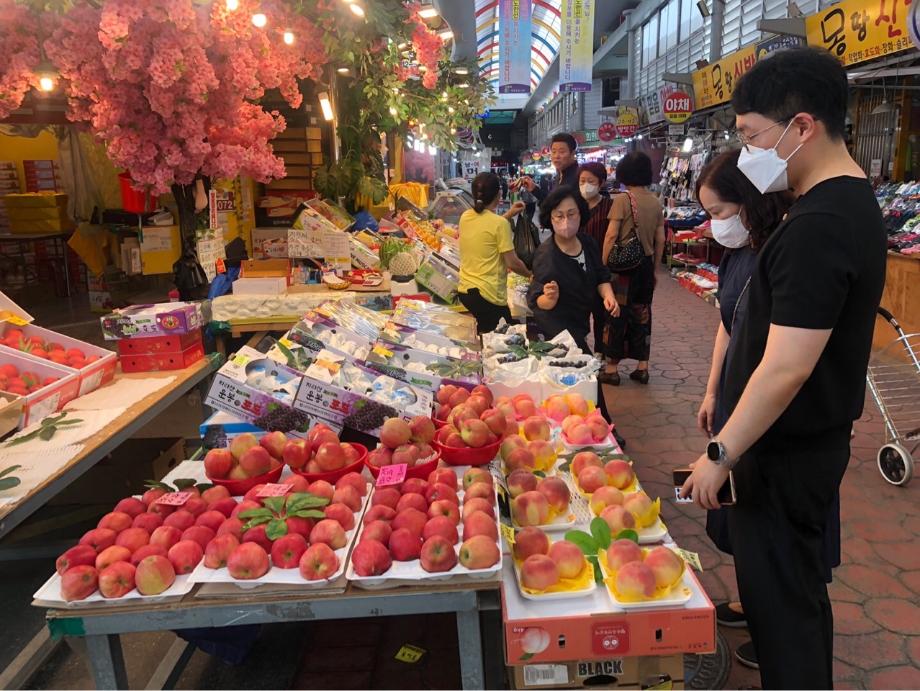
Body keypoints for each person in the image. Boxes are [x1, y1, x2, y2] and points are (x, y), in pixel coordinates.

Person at [680, 47, 887, 689]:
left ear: (802, 127)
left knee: (783, 613)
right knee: (792, 600)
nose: (746, 154)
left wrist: (721, 452)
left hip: (785, 456)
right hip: (796, 448)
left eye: (751, 136)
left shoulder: (821, 223)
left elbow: (785, 367)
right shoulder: (840, 205)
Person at [694, 149, 793, 669]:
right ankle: (750, 601)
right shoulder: (736, 255)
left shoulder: (780, 255)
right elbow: (726, 323)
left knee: (767, 514)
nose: (716, 225)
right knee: (742, 510)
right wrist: (712, 391)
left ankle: (773, 626)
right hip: (734, 394)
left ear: (750, 201)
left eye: (720, 211)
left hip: (766, 408)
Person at [526, 186, 619, 353]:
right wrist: (549, 298)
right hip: (558, 332)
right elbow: (536, 300)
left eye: (571, 214)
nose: (566, 221)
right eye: (559, 216)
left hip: (580, 323)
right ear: (550, 218)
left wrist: (608, 296)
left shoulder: (588, 243)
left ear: (581, 214)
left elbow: (600, 275)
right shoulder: (546, 255)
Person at [600, 152, 665, 385]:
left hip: (623, 268)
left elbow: (610, 235)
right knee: (642, 315)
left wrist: (603, 265)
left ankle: (612, 368)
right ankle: (642, 367)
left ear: (624, 173)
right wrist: (655, 269)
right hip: (645, 266)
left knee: (617, 314)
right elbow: (661, 239)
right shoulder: (655, 202)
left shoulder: (622, 200)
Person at [458, 172, 531, 334]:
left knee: (486, 335)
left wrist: (509, 214)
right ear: (499, 194)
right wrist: (530, 275)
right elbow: (513, 263)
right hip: (488, 296)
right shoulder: (499, 224)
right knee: (502, 342)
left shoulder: (465, 216)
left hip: (466, 290)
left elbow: (487, 227)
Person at [578, 162, 615, 356]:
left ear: (600, 183)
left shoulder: (610, 206)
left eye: (590, 181)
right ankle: (581, 351)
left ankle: (600, 351)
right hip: (578, 266)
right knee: (580, 311)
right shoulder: (575, 207)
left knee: (601, 314)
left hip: (601, 267)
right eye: (582, 181)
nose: (585, 185)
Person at [514, 133, 580, 203]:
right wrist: (533, 188)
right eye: (554, 152)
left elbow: (558, 205)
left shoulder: (578, 178)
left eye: (562, 152)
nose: (556, 156)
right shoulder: (560, 174)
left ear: (572, 153)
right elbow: (552, 203)